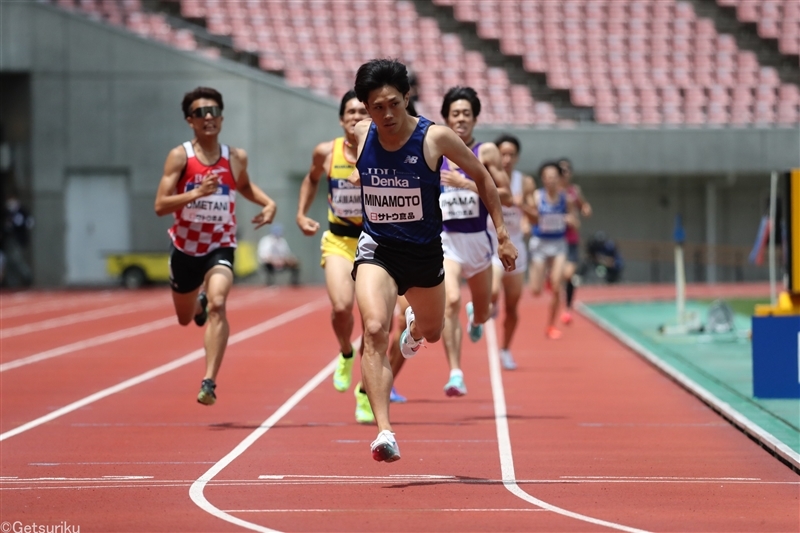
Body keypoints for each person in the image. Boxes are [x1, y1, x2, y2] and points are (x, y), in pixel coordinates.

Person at [350, 59, 517, 462]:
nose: (386, 114)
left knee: (433, 331)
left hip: (425, 254)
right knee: (373, 329)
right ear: (366, 109)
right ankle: (385, 432)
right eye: (376, 107)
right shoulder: (360, 133)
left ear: (407, 97)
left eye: (393, 103)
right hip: (378, 249)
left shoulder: (434, 138)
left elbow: (482, 177)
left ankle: (414, 331)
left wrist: (504, 236)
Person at [154, 87, 276, 406]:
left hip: (220, 245)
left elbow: (244, 186)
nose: (208, 117)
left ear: (221, 117)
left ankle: (209, 381)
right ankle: (198, 303)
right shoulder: (181, 157)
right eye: (200, 113)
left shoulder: (235, 157)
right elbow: (160, 205)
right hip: (185, 249)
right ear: (189, 121)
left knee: (220, 304)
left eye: (213, 111)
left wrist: (268, 202)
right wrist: (197, 193)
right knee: (185, 317)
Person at [296, 90, 380, 423]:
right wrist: (302, 214)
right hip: (339, 241)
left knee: (376, 326)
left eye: (362, 111)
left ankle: (364, 393)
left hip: (376, 242)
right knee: (342, 307)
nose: (356, 117)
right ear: (341, 118)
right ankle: (346, 351)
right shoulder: (326, 152)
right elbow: (311, 178)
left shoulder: (382, 148)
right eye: (350, 112)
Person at [438, 86, 511, 396]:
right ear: (446, 118)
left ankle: (476, 316)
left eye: (467, 114)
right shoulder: (434, 150)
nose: (461, 119)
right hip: (447, 242)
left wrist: (465, 183)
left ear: (475, 118)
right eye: (455, 114)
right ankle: (456, 373)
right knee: (450, 300)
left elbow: (505, 196)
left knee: (484, 312)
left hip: (479, 244)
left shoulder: (487, 152)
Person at [488, 135, 536, 370]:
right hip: (491, 242)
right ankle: (490, 302)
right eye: (502, 154)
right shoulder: (486, 177)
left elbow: (535, 217)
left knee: (513, 307)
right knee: (494, 290)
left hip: (516, 246)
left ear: (517, 157)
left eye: (511, 154)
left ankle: (505, 349)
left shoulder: (524, 182)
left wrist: (521, 206)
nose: (506, 159)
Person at [527, 161, 579, 340]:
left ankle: (550, 325)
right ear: (542, 179)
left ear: (559, 179)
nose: (550, 180)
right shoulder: (536, 196)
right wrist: (531, 219)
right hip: (540, 244)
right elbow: (529, 218)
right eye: (547, 177)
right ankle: (546, 277)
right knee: (535, 290)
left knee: (557, 287)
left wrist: (568, 219)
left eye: (554, 177)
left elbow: (575, 222)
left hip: (558, 244)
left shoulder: (566, 198)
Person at [558, 158, 592, 325]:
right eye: (561, 170)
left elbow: (584, 207)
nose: (565, 173)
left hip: (571, 238)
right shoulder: (551, 191)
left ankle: (567, 308)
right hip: (553, 239)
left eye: (567, 170)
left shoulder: (574, 190)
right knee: (557, 276)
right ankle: (560, 303)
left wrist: (584, 210)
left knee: (568, 274)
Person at [2, 193, 34, 287]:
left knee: (16, 259)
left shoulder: (22, 211)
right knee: (9, 261)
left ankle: (27, 276)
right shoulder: (8, 212)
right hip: (9, 239)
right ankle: (13, 283)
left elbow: (29, 223)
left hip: (18, 240)